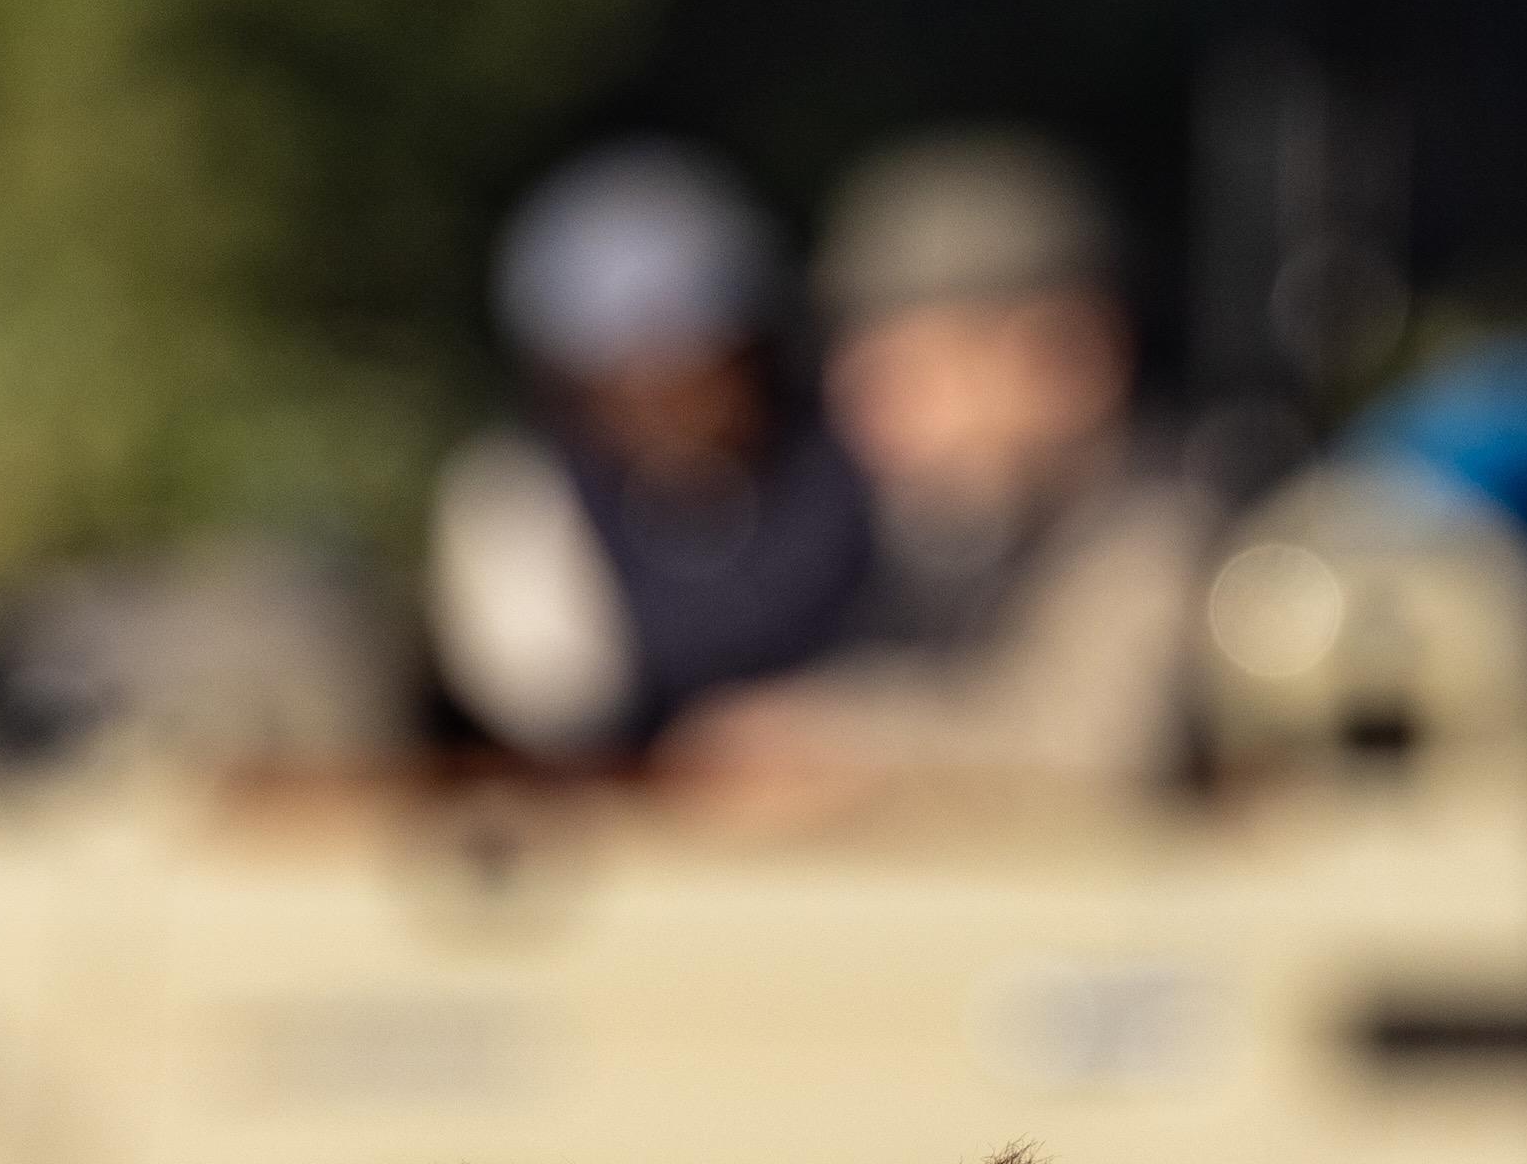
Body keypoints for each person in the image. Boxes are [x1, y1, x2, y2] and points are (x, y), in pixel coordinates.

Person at [662, 131, 1216, 816]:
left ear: (1069, 356)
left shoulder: (1166, 527)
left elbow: (1098, 743)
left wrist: (835, 739)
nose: (868, 414)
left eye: (917, 371)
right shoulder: (964, 539)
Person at [424, 142, 875, 768]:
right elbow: (547, 711)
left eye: (689, 366)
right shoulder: (520, 500)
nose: (659, 398)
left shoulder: (857, 455)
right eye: (620, 377)